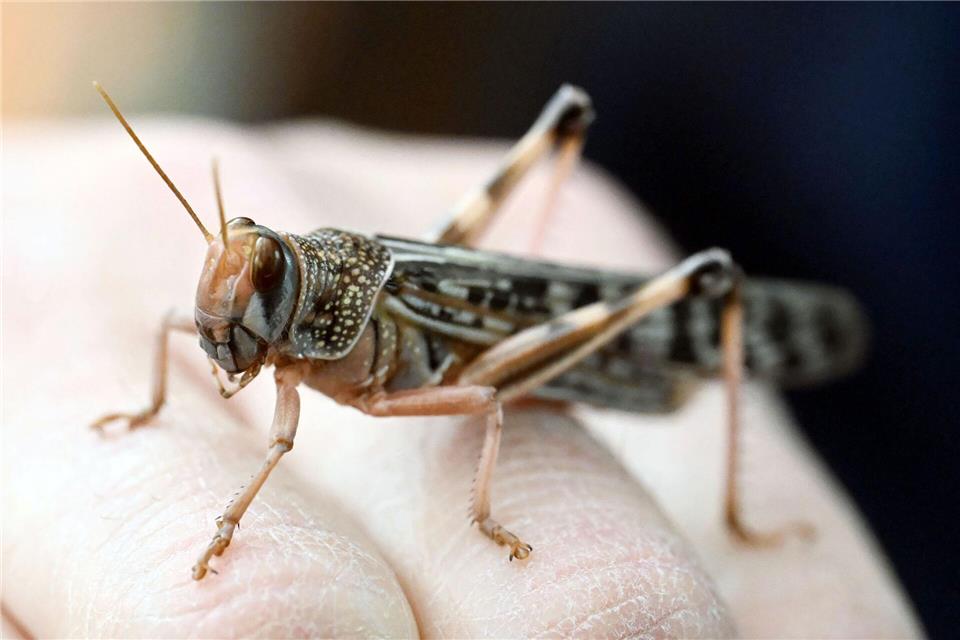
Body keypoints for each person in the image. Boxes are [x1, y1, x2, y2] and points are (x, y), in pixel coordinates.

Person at [1, 117, 920, 638]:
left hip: (553, 344)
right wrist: (149, 406)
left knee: (690, 286)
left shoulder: (341, 322)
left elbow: (480, 400)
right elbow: (188, 332)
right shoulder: (287, 322)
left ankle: (739, 517)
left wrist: (484, 519)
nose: (221, 330)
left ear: (297, 291)